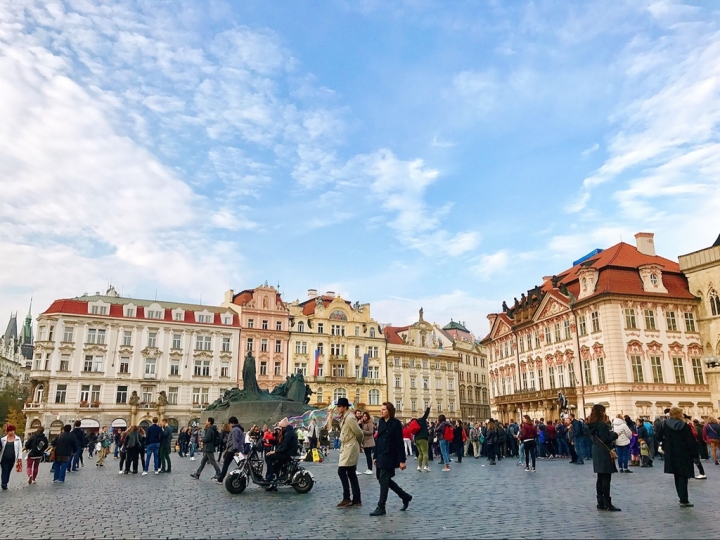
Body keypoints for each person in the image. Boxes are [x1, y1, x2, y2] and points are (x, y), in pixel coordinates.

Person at [370, 402, 411, 517]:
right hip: (381, 455)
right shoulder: (381, 422)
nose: (381, 411)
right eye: (381, 409)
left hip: (390, 456)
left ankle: (381, 507)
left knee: (384, 481)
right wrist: (375, 456)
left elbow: (399, 443)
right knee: (383, 479)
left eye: (383, 409)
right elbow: (378, 440)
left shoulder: (396, 423)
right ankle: (405, 496)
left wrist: (402, 461)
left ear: (389, 411)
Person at [658, 407, 698, 507]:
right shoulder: (685, 426)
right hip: (684, 454)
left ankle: (681, 497)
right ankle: (684, 499)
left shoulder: (665, 425)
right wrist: (695, 454)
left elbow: (658, 436)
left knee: (676, 475)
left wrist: (665, 443)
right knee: (683, 476)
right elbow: (691, 441)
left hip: (671, 453)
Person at [587, 404, 620, 511]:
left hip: (596, 449)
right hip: (603, 451)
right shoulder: (601, 424)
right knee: (606, 477)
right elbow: (606, 438)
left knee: (600, 477)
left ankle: (600, 502)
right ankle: (607, 503)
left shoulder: (591, 424)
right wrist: (615, 435)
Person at [336, 397, 364, 508]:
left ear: (344, 407)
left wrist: (359, 444)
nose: (338, 408)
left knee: (341, 471)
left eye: (339, 406)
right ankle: (357, 499)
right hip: (346, 445)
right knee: (351, 473)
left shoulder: (350, 418)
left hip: (350, 446)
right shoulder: (344, 417)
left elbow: (359, 432)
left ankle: (346, 498)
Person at [263, 417, 298, 491]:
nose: (279, 429)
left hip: (288, 454)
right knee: (276, 465)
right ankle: (274, 480)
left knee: (268, 457)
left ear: (283, 427)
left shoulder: (288, 434)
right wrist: (270, 441)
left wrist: (274, 452)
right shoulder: (288, 432)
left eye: (280, 427)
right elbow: (280, 443)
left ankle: (271, 475)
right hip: (288, 453)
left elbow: (284, 447)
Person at [217, 417, 244, 483]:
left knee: (226, 463)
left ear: (232, 423)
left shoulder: (235, 430)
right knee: (241, 464)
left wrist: (235, 450)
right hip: (236, 449)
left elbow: (235, 440)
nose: (229, 425)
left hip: (233, 449)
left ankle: (220, 478)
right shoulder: (239, 429)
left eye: (230, 423)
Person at [1, 425, 23, 489]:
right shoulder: (3, 439)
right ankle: (4, 483)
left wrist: (19, 458)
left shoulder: (17, 439)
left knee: (8, 470)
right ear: (8, 432)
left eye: (13, 430)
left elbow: (20, 449)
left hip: (12, 458)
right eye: (10, 431)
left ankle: (6, 481)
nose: (12, 432)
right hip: (4, 458)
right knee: (4, 470)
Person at [414, 406, 431, 471]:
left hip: (417, 439)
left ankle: (419, 466)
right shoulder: (422, 420)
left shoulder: (416, 422)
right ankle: (426, 466)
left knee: (420, 453)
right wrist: (429, 408)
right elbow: (426, 414)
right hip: (423, 439)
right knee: (425, 453)